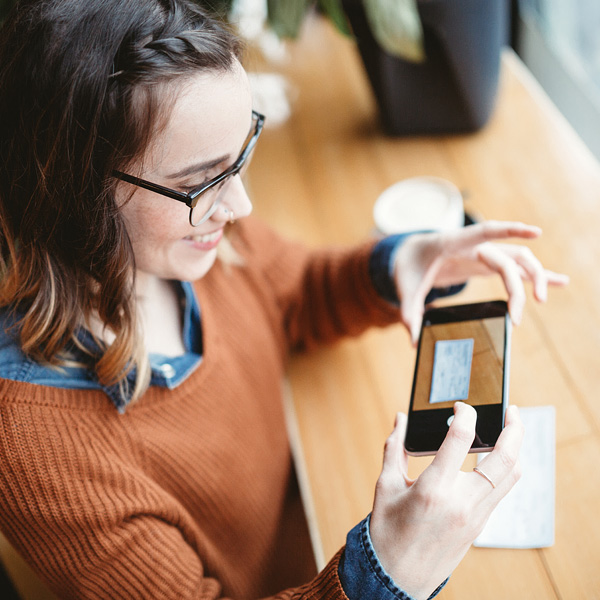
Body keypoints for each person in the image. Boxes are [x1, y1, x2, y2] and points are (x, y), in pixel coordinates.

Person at [0, 0, 568, 599]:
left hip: (312, 516)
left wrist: (401, 263)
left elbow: (293, 292)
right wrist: (387, 575)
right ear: (70, 189)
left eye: (241, 154)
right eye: (201, 181)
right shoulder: (35, 449)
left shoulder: (191, 239)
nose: (241, 206)